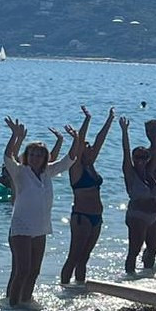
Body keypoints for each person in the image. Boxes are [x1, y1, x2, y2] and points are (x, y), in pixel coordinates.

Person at [3, 117, 80, 306]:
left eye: (39, 155)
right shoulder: (20, 172)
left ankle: (26, 302)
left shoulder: (47, 172)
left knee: (34, 271)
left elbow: (68, 161)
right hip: (21, 227)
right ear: (27, 156)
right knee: (22, 270)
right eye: (33, 154)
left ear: (44, 157)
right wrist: (15, 136)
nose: (36, 158)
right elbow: (7, 157)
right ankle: (13, 307)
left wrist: (76, 140)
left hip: (40, 228)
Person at [60, 106, 115, 286]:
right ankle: (65, 289)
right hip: (81, 217)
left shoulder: (91, 165)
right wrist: (87, 120)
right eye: (86, 146)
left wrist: (109, 120)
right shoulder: (76, 168)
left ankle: (78, 290)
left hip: (96, 217)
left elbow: (99, 140)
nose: (91, 148)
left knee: (85, 258)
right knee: (74, 257)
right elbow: (81, 142)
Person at [120, 117, 156, 274]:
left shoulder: (149, 172)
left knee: (153, 248)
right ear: (133, 158)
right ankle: (129, 280)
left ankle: (147, 276)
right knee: (134, 251)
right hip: (137, 215)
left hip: (153, 216)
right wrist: (125, 131)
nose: (140, 160)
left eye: (144, 157)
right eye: (137, 157)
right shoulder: (130, 173)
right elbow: (125, 150)